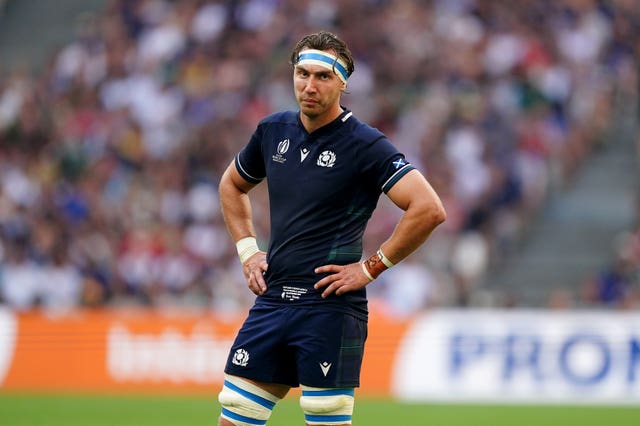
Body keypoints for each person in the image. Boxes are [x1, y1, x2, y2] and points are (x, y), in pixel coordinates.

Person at [217, 30, 446, 426]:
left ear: (343, 83)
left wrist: (371, 267)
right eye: (302, 73)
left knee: (323, 416)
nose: (309, 85)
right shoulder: (273, 131)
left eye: (323, 76)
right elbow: (231, 185)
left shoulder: (365, 144)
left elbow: (428, 209)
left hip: (329, 306)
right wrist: (248, 251)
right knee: (234, 413)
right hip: (273, 300)